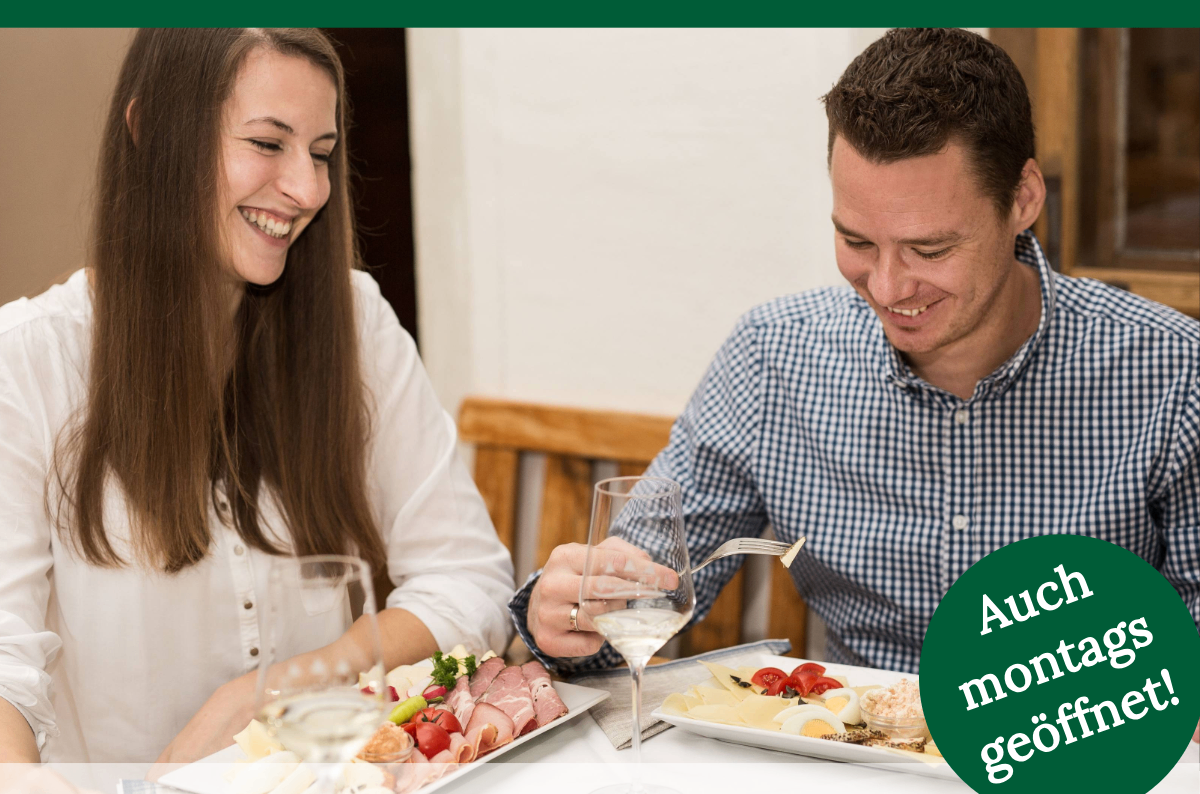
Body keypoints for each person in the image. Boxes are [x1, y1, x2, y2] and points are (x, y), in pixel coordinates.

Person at [512, 28, 1199, 743]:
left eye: (931, 248)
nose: (890, 286)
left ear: (1023, 198)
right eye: (857, 241)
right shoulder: (773, 358)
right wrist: (570, 617)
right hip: (846, 758)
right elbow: (642, 585)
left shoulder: (1173, 373)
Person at [0, 28, 514, 764]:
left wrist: (275, 689)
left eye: (322, 152)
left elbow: (469, 582)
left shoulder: (356, 320)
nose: (307, 189)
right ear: (151, 132)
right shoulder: (23, 363)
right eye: (268, 144)